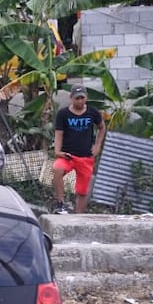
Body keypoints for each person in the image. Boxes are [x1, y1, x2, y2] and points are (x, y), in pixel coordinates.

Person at [52, 85, 106, 214]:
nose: (80, 101)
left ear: (86, 98)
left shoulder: (92, 112)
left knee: (82, 191)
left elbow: (102, 127)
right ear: (71, 98)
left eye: (82, 98)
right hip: (68, 156)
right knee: (57, 169)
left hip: (86, 157)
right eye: (77, 98)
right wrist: (57, 151)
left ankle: (79, 215)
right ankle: (60, 203)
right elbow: (59, 133)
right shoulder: (63, 114)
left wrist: (98, 145)